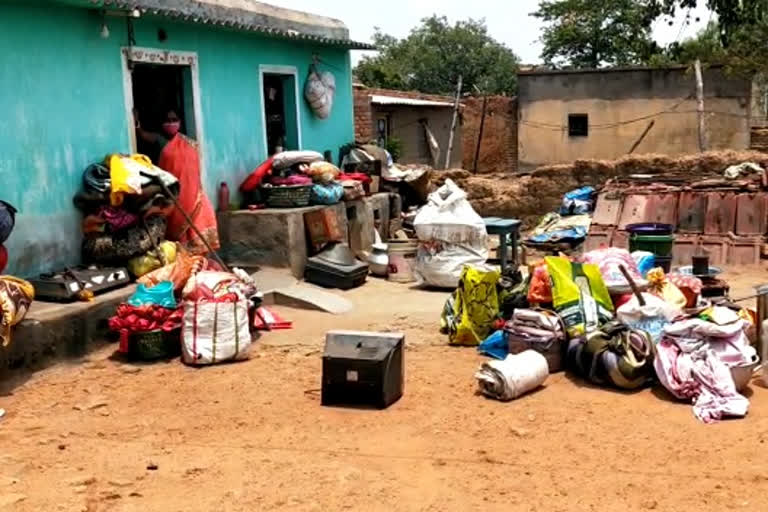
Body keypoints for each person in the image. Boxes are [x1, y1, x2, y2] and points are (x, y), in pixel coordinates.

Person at [134, 109, 220, 255]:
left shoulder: (190, 143)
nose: (171, 123)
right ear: (162, 124)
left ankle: (200, 265)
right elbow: (142, 135)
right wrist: (136, 124)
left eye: (175, 119)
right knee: (177, 237)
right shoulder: (159, 140)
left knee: (200, 230)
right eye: (168, 120)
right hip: (173, 195)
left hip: (194, 196)